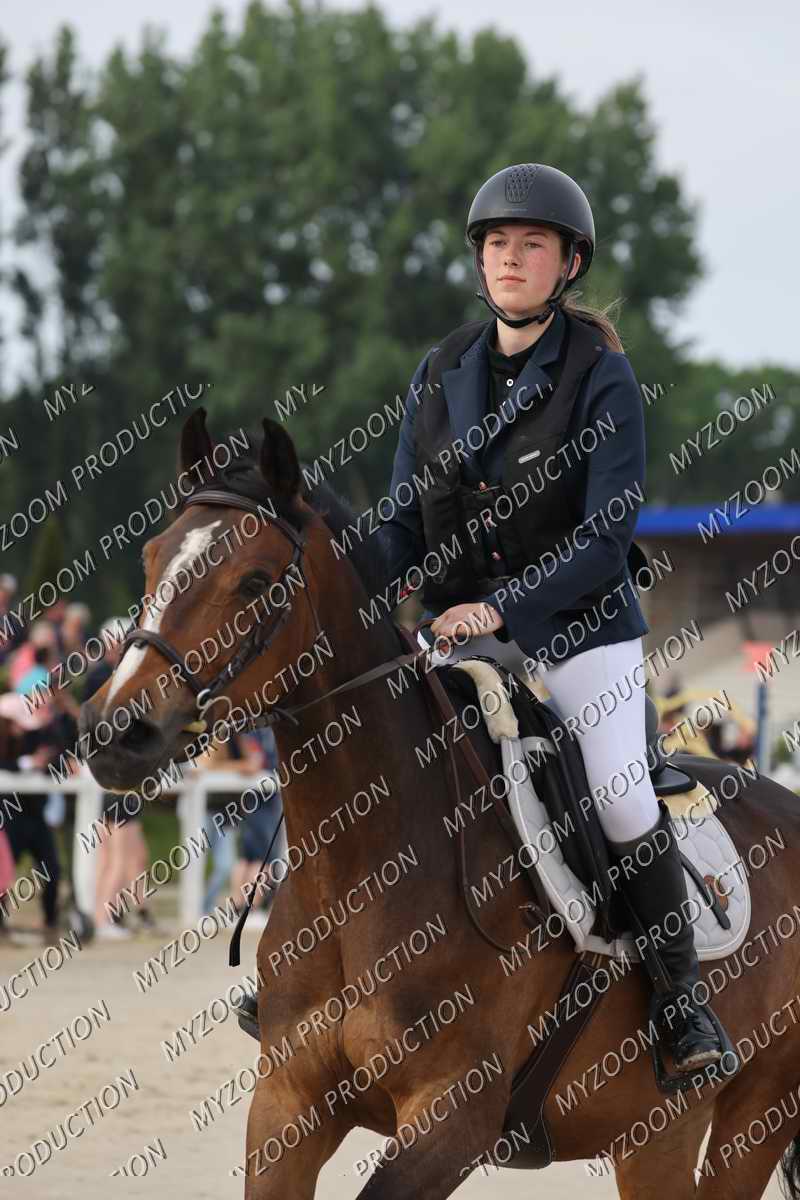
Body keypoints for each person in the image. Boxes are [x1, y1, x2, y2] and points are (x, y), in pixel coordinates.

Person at [376, 162, 727, 1073]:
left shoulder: (602, 375)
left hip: (579, 633)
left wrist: (500, 607)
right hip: (458, 637)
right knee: (373, 760)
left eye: (531, 245)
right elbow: (403, 526)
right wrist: (346, 592)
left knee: (618, 794)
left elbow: (607, 537)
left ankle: (683, 1003)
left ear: (568, 264)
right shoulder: (440, 370)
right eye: (497, 243)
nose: (510, 258)